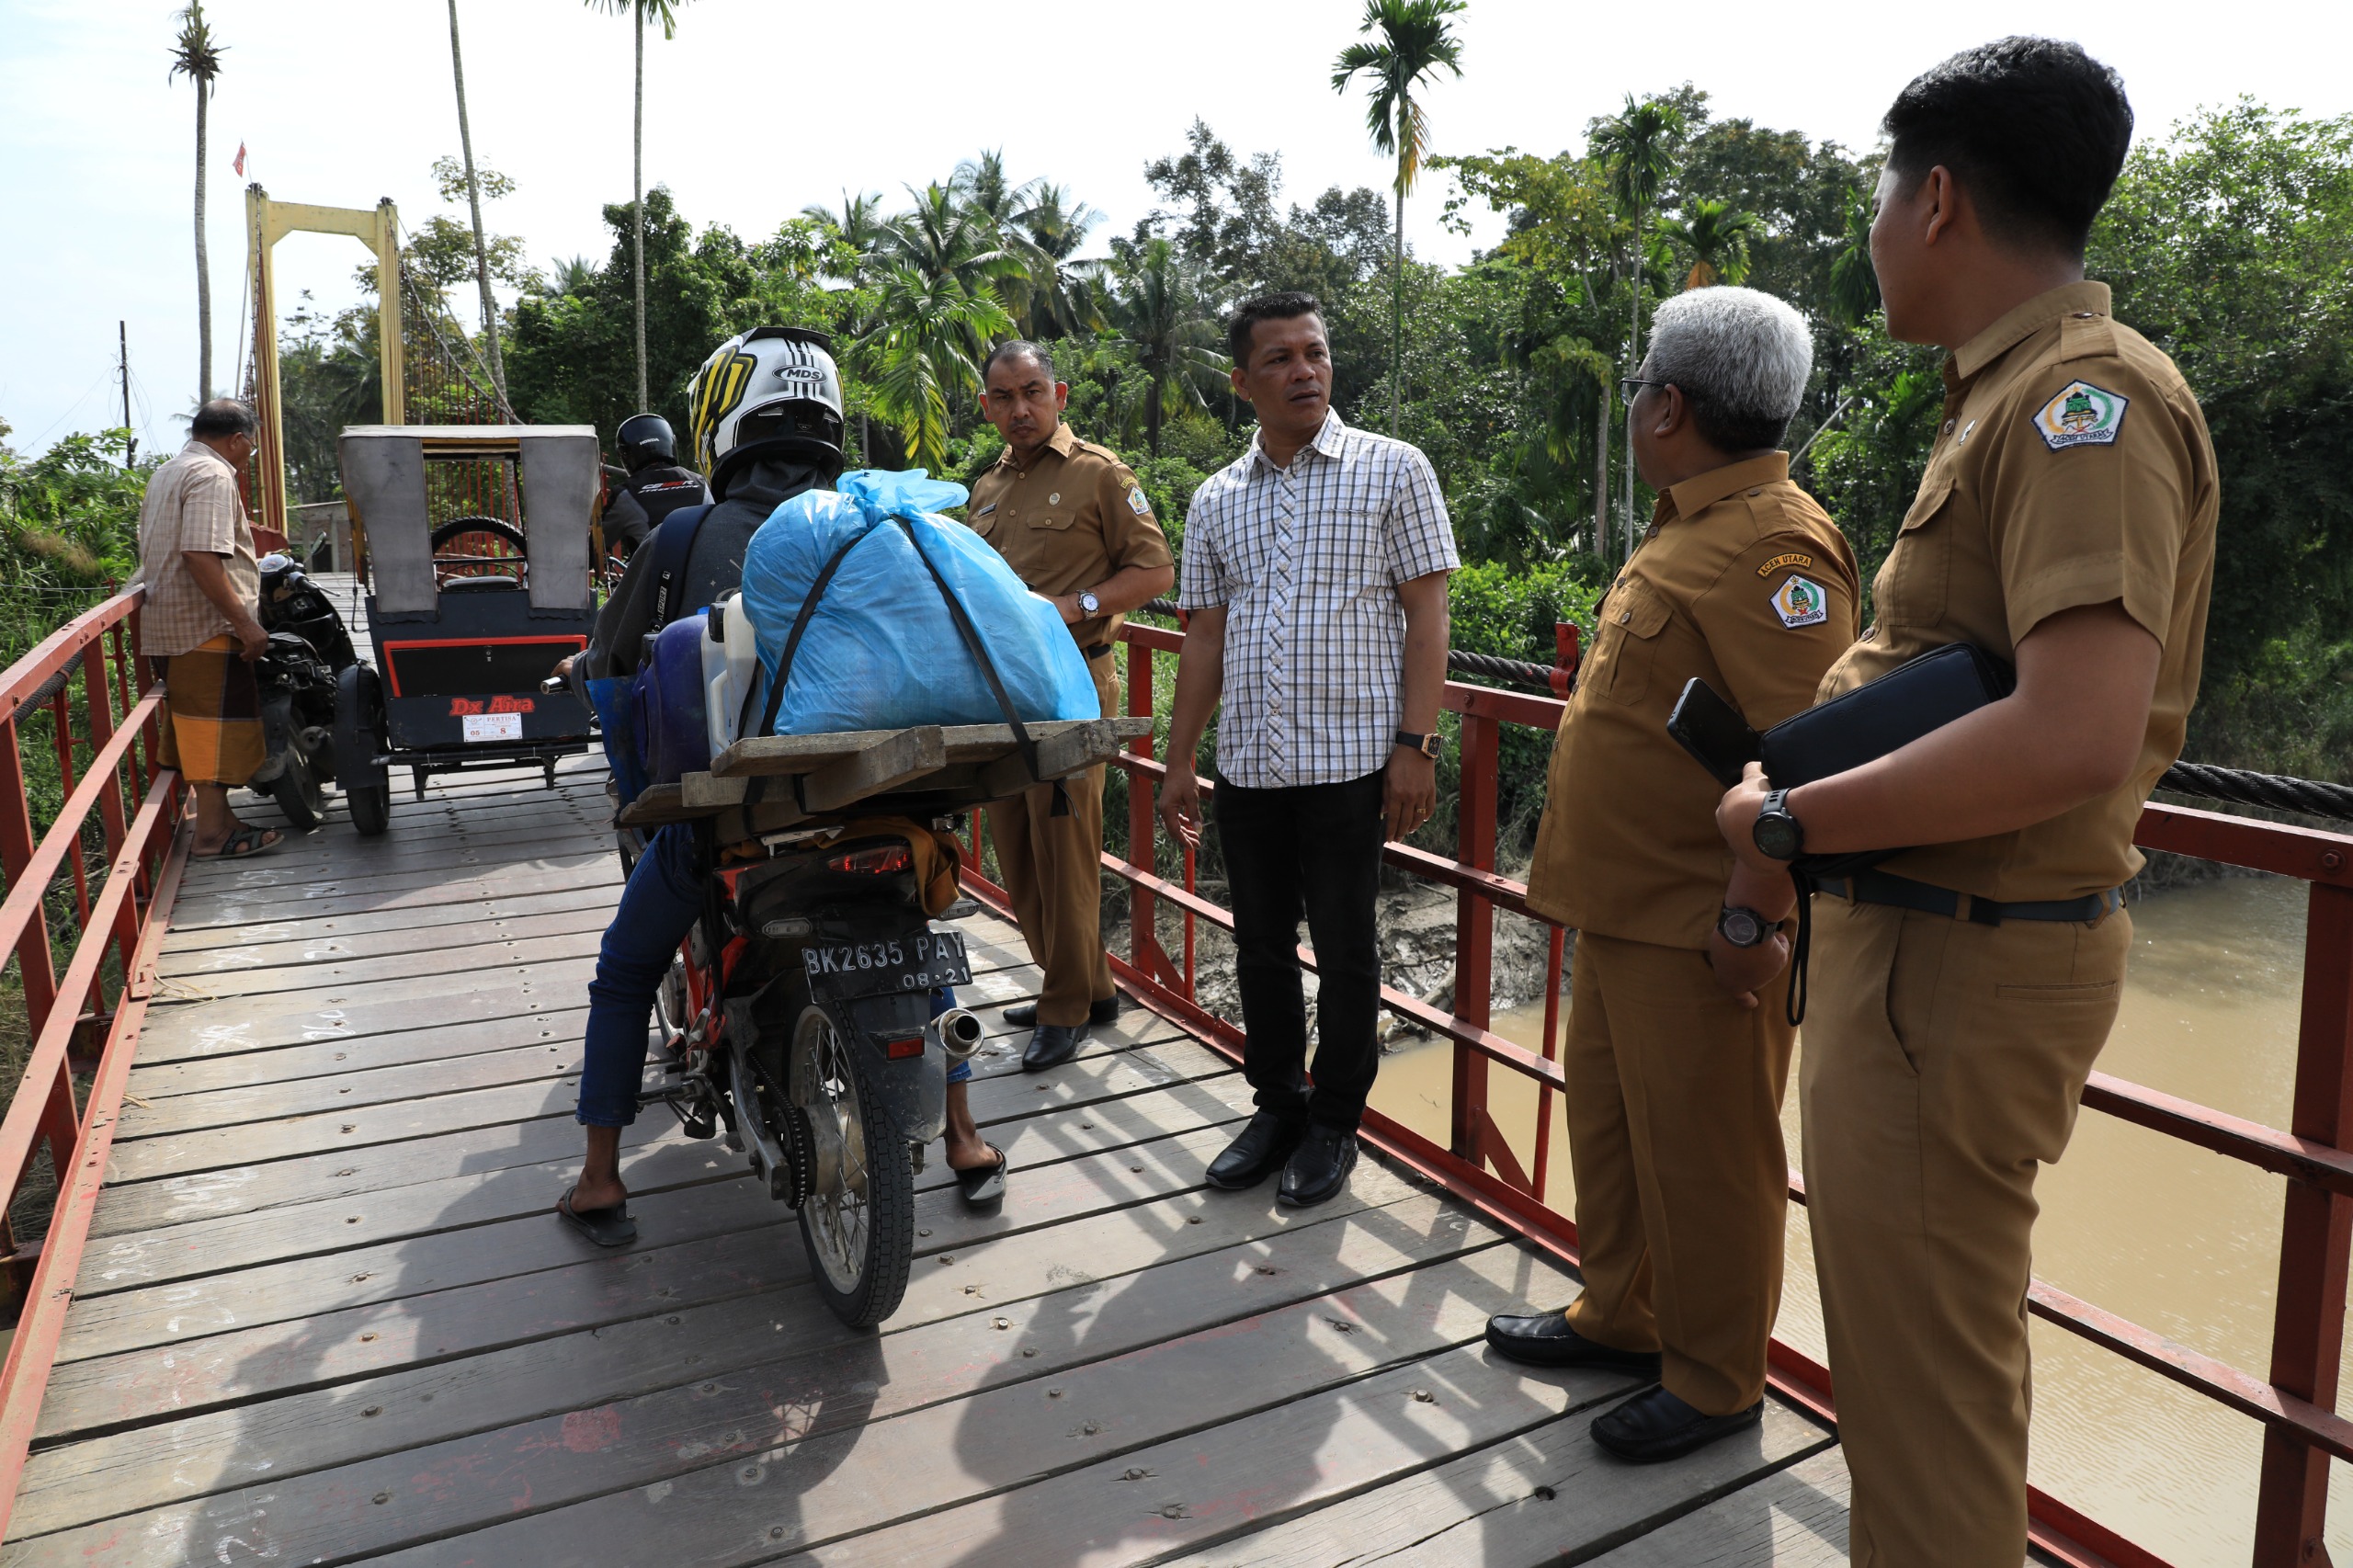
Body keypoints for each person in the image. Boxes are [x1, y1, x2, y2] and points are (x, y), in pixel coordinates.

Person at [1711, 40, 2216, 1566]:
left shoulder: (2084, 409)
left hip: (1963, 954)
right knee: (1910, 1379)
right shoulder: (2005, 400)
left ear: (1937, 200)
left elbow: (2073, 734)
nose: (1870, 221)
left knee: (1925, 1410)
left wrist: (1790, 831)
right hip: (1922, 936)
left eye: (1880, 186)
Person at [1483, 289, 1859, 1463]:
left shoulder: (1772, 547)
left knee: (1707, 1157)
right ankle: (1623, 1313)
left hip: (1704, 923)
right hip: (1621, 909)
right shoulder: (1694, 521)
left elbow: (1810, 756)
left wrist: (1755, 918)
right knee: (1611, 1129)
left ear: (1668, 405)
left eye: (1643, 377)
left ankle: (1714, 1379)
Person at [555, 326, 1007, 1247]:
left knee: (621, 972)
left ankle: (600, 1177)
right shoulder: (879, 523)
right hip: (888, 804)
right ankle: (963, 1136)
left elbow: (611, 673)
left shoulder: (682, 532)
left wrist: (639, 782)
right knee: (914, 939)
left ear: (724, 422)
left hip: (737, 826)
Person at [1157, 291, 1457, 1209]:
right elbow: (1203, 636)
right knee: (1257, 946)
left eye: (1315, 353)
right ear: (1243, 381)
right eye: (1280, 358)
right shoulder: (1217, 496)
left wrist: (1416, 743)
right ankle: (1276, 1104)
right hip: (1249, 764)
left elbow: (1426, 614)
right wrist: (1180, 757)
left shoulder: (1392, 469)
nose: (1304, 370)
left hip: (1353, 762)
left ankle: (1335, 1122)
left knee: (1345, 946)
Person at [965, 341, 1175, 1070]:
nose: (1019, 408)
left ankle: (1064, 1010)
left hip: (1074, 684)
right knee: (1015, 846)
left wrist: (1076, 605)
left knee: (1065, 850)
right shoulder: (985, 488)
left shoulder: (1101, 475)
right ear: (987, 406)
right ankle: (1093, 986)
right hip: (1003, 694)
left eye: (1032, 392)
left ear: (1059, 394)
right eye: (1003, 397)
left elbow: (1154, 569)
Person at [131, 398, 282, 859]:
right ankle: (212, 836)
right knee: (217, 731)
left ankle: (221, 820)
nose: (247, 457)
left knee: (199, 728)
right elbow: (199, 554)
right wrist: (246, 623)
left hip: (170, 623)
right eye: (250, 448)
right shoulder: (214, 476)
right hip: (205, 625)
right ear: (236, 440)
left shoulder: (168, 471)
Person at [599, 412, 709, 562]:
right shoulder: (703, 483)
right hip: (710, 576)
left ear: (626, 455)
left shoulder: (625, 494)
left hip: (654, 582)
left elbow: (596, 548)